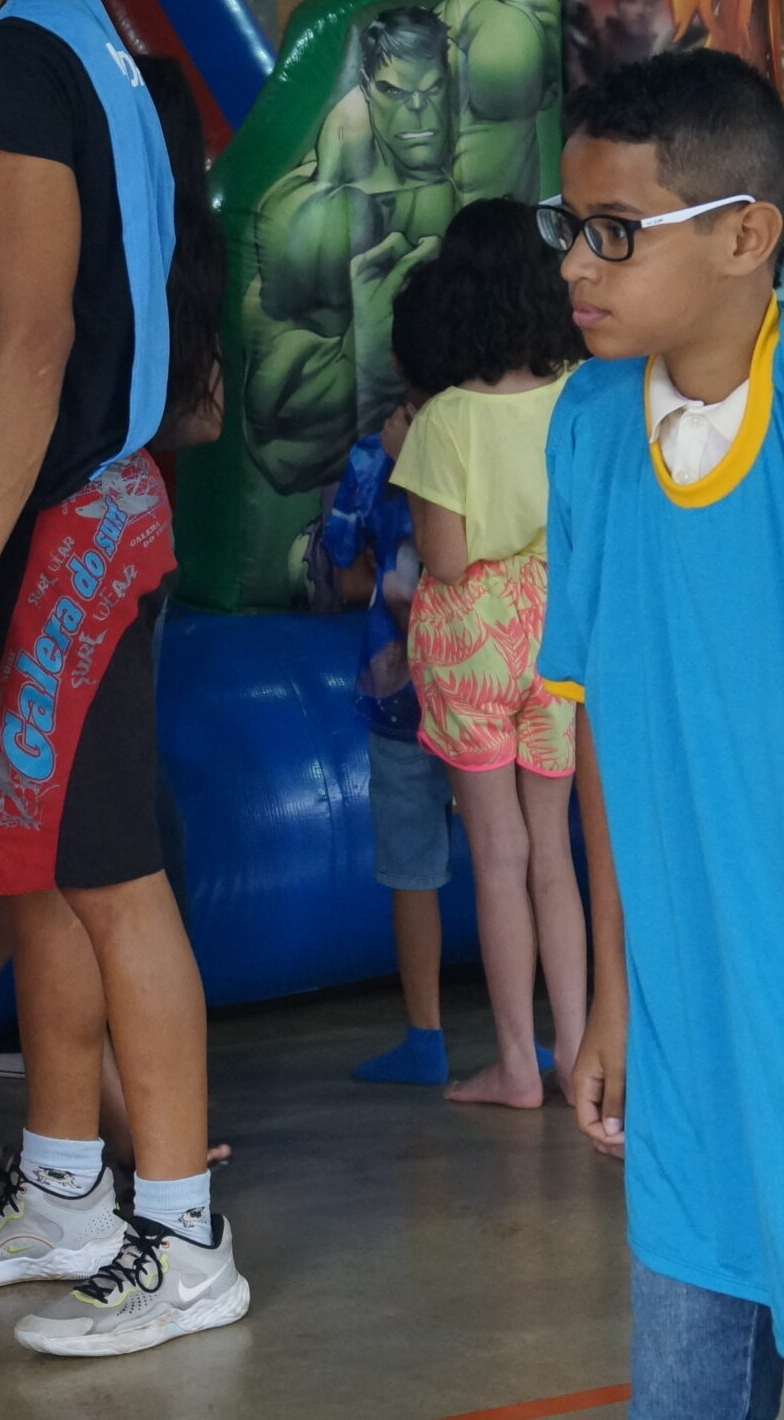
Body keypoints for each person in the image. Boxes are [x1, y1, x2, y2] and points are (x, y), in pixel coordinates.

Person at [0, 0, 249, 1356]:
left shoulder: (18, 60)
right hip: (59, 514)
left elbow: (36, 331)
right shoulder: (90, 41)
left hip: (65, 525)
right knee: (30, 870)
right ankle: (62, 1191)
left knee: (108, 876)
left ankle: (184, 1236)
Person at [538, 48, 784, 1419]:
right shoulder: (586, 425)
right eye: (571, 227)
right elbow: (605, 723)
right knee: (687, 1373)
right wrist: (615, 988)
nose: (577, 265)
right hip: (690, 1007)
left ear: (747, 237)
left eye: (618, 232)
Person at [391, 197, 587, 1108]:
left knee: (498, 856)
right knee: (554, 853)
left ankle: (515, 1064)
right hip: (555, 626)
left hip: (471, 636)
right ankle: (577, 1051)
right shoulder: (578, 394)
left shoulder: (444, 419)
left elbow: (444, 557)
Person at [237, 0, 562, 492]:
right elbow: (279, 446)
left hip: (513, 432)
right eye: (394, 92)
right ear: (367, 87)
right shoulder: (324, 211)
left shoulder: (498, 79)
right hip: (392, 457)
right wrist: (362, 356)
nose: (416, 111)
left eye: (431, 90)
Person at [325, 407, 460, 1086]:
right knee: (518, 858)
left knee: (413, 869)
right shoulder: (494, 428)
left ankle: (425, 1037)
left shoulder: (376, 454)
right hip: (486, 675)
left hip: (400, 688)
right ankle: (528, 1043)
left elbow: (342, 560)